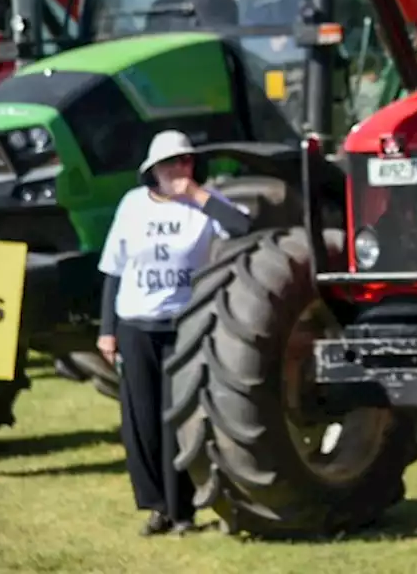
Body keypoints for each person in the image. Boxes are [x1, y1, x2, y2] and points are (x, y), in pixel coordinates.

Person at [95, 130, 253, 536]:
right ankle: (157, 507)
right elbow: (114, 269)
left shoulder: (205, 206)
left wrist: (198, 196)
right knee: (140, 422)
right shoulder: (132, 205)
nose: (178, 170)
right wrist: (107, 331)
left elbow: (243, 227)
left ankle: (183, 510)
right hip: (135, 324)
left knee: (176, 422)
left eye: (185, 161)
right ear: (154, 171)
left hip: (184, 327)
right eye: (170, 164)